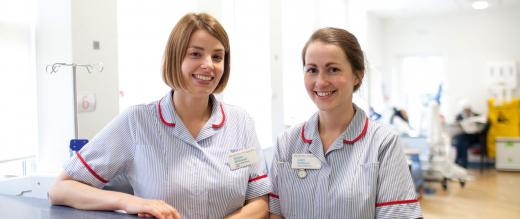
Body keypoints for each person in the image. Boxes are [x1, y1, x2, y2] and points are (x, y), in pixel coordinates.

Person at [48, 12, 271, 219]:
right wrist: (131, 202)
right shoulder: (137, 122)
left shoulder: (241, 122)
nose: (208, 65)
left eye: (217, 56)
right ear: (175, 57)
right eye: (195, 54)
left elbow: (260, 202)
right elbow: (60, 189)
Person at [268, 27, 422, 218]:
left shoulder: (383, 143)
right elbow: (275, 213)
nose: (321, 82)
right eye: (312, 70)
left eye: (333, 69)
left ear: (357, 75)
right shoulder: (287, 142)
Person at [452, 101, 486, 168]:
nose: (467, 111)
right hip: (464, 136)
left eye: (468, 109)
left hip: (474, 137)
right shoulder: (459, 117)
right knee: (462, 142)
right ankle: (463, 165)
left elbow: (483, 126)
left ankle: (457, 162)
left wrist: (477, 127)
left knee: (460, 142)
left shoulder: (477, 116)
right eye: (465, 110)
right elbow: (456, 127)